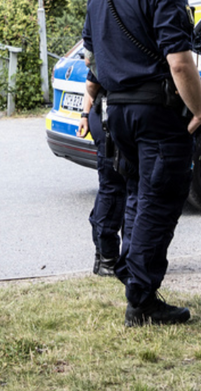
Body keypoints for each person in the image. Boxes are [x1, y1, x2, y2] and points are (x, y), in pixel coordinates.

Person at [83, 0, 201, 327]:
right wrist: (200, 108)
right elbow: (180, 62)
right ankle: (139, 294)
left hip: (117, 112)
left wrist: (92, 102)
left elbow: (91, 53)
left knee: (138, 196)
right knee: (161, 201)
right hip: (156, 113)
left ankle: (139, 288)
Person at [77, 75, 130, 280]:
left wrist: (85, 114)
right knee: (114, 187)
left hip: (104, 111)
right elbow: (93, 81)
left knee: (115, 187)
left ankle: (109, 257)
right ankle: (107, 259)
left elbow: (92, 79)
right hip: (111, 114)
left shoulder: (101, 42)